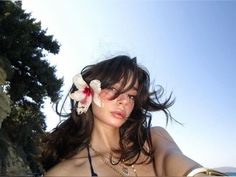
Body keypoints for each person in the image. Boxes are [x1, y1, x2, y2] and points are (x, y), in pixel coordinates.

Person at [41, 55, 225, 176]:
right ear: (86, 93)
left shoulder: (153, 139)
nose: (125, 101)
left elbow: (173, 158)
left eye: (131, 95)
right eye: (113, 88)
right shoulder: (64, 173)